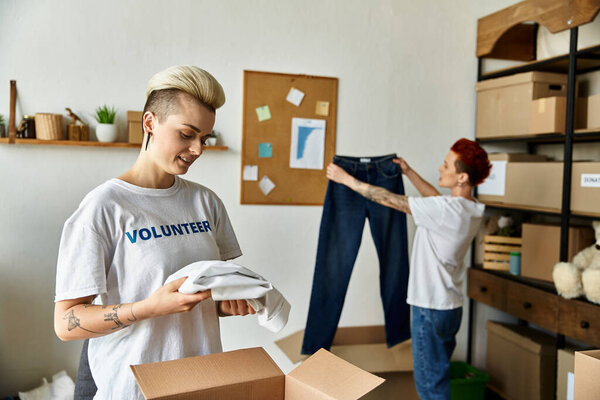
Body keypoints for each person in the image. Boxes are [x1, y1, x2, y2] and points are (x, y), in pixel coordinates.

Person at [54, 65, 255, 400]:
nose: (198, 150)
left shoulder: (206, 202)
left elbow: (202, 297)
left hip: (200, 382)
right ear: (150, 123)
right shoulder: (103, 208)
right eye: (187, 134)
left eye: (204, 138)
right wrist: (150, 307)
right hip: (132, 387)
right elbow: (66, 323)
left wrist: (225, 304)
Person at [326, 138, 491, 400]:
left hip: (430, 309)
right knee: (438, 376)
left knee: (430, 388)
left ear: (461, 177)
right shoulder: (471, 209)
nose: (439, 168)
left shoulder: (445, 211)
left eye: (446, 164)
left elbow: (389, 199)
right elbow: (436, 200)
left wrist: (345, 179)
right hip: (450, 308)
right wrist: (409, 171)